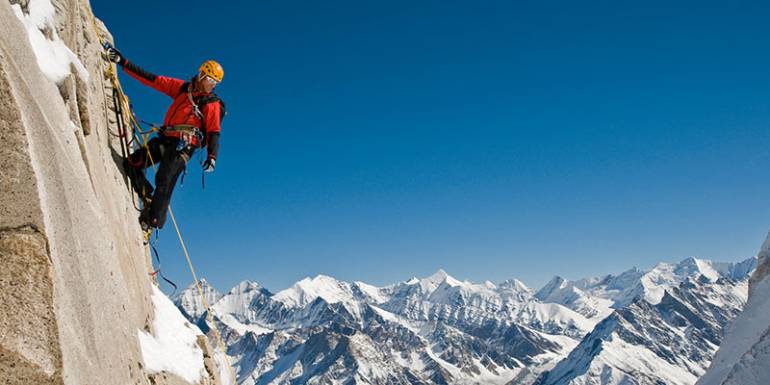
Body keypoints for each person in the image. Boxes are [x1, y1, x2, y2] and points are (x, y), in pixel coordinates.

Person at [104, 44, 225, 231]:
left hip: (184, 145)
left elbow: (214, 131)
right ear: (201, 74)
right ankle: (147, 196)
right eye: (209, 79)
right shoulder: (183, 89)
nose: (211, 84)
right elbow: (153, 80)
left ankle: (153, 221)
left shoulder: (211, 103)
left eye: (215, 82)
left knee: (165, 178)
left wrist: (212, 157)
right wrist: (123, 62)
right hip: (166, 138)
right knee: (133, 162)